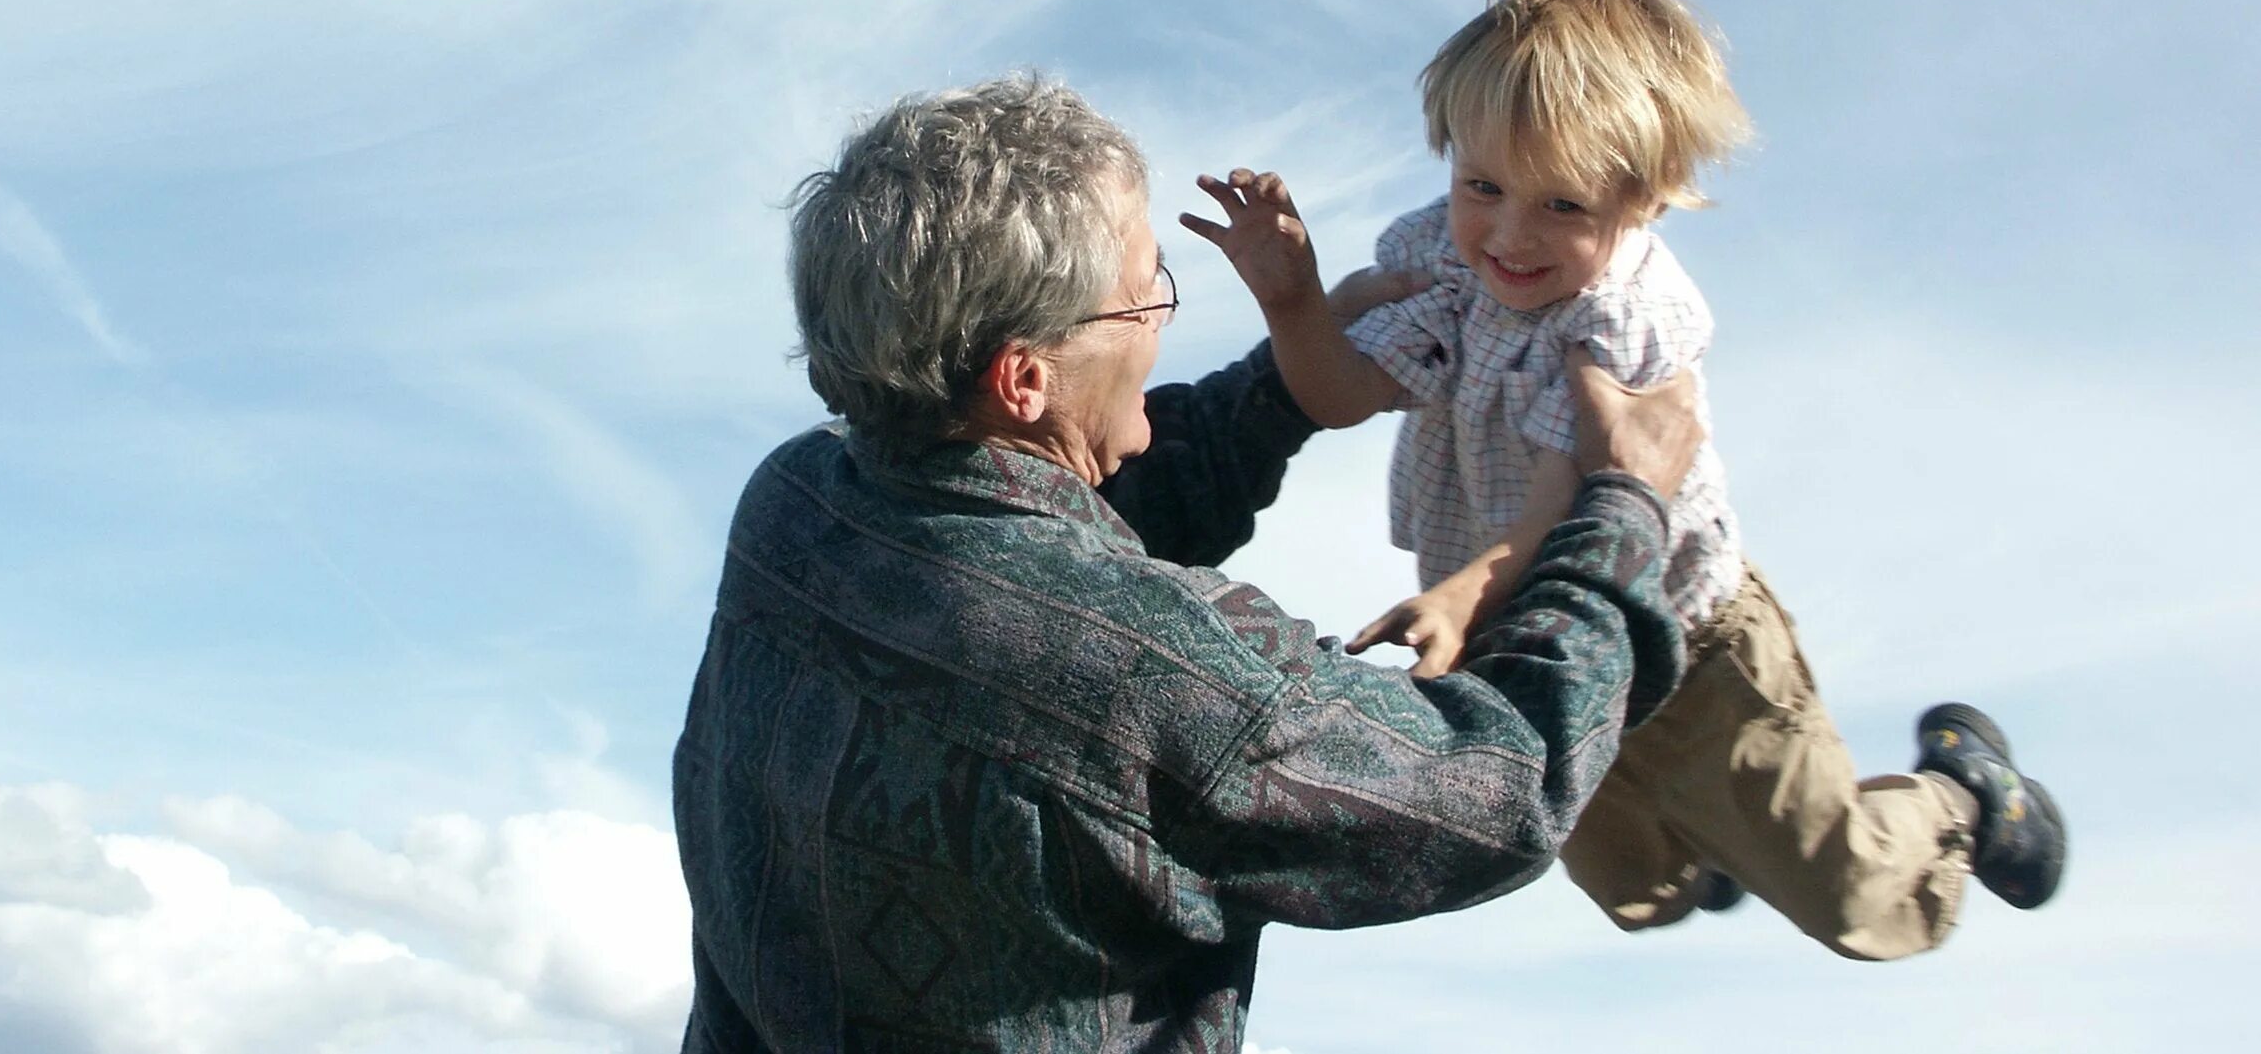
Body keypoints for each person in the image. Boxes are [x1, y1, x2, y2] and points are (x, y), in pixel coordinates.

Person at [674, 73, 1700, 1051]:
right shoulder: (1165, 678)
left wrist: (1293, 371)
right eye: (1142, 295)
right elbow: (1500, 786)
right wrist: (1622, 507)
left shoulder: (795, 507)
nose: (1163, 317)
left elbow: (1050, 536)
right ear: (1024, 377)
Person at [1184, 0, 2066, 963]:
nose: (1509, 233)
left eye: (1561, 203)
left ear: (1641, 200)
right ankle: (1710, 846)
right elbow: (1338, 390)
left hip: (1690, 646)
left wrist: (1461, 591)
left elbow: (1585, 489)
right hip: (1543, 640)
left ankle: (1961, 793)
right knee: (1631, 888)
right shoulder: (1448, 263)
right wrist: (1293, 300)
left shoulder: (1626, 317)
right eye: (1482, 185)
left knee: (1852, 899)